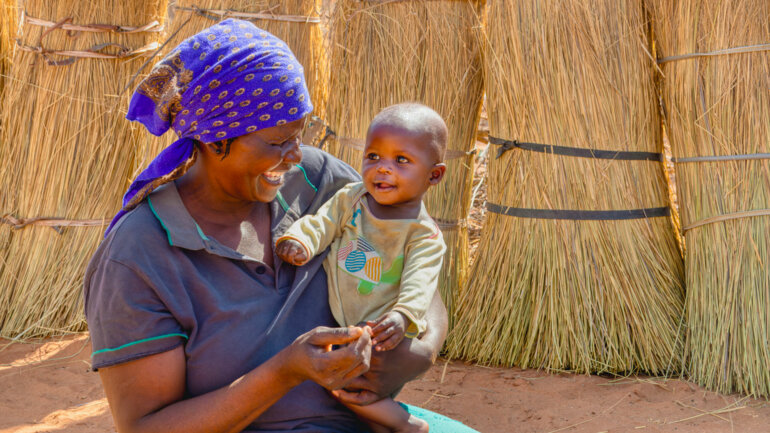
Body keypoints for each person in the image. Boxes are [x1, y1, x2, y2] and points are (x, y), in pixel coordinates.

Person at [84, 19, 477, 433]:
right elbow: (144, 427)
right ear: (215, 140)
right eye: (277, 141)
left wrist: (421, 351)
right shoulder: (139, 255)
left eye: (300, 134)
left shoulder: (320, 182)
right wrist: (285, 371)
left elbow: (415, 258)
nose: (295, 155)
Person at [275, 103, 448, 433]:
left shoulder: (423, 235)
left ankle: (406, 424)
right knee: (357, 397)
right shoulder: (352, 199)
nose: (382, 168)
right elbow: (322, 222)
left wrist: (402, 316)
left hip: (385, 332)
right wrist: (301, 241)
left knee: (345, 383)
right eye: (373, 156)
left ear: (434, 175)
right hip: (347, 325)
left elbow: (421, 284)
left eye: (401, 160)